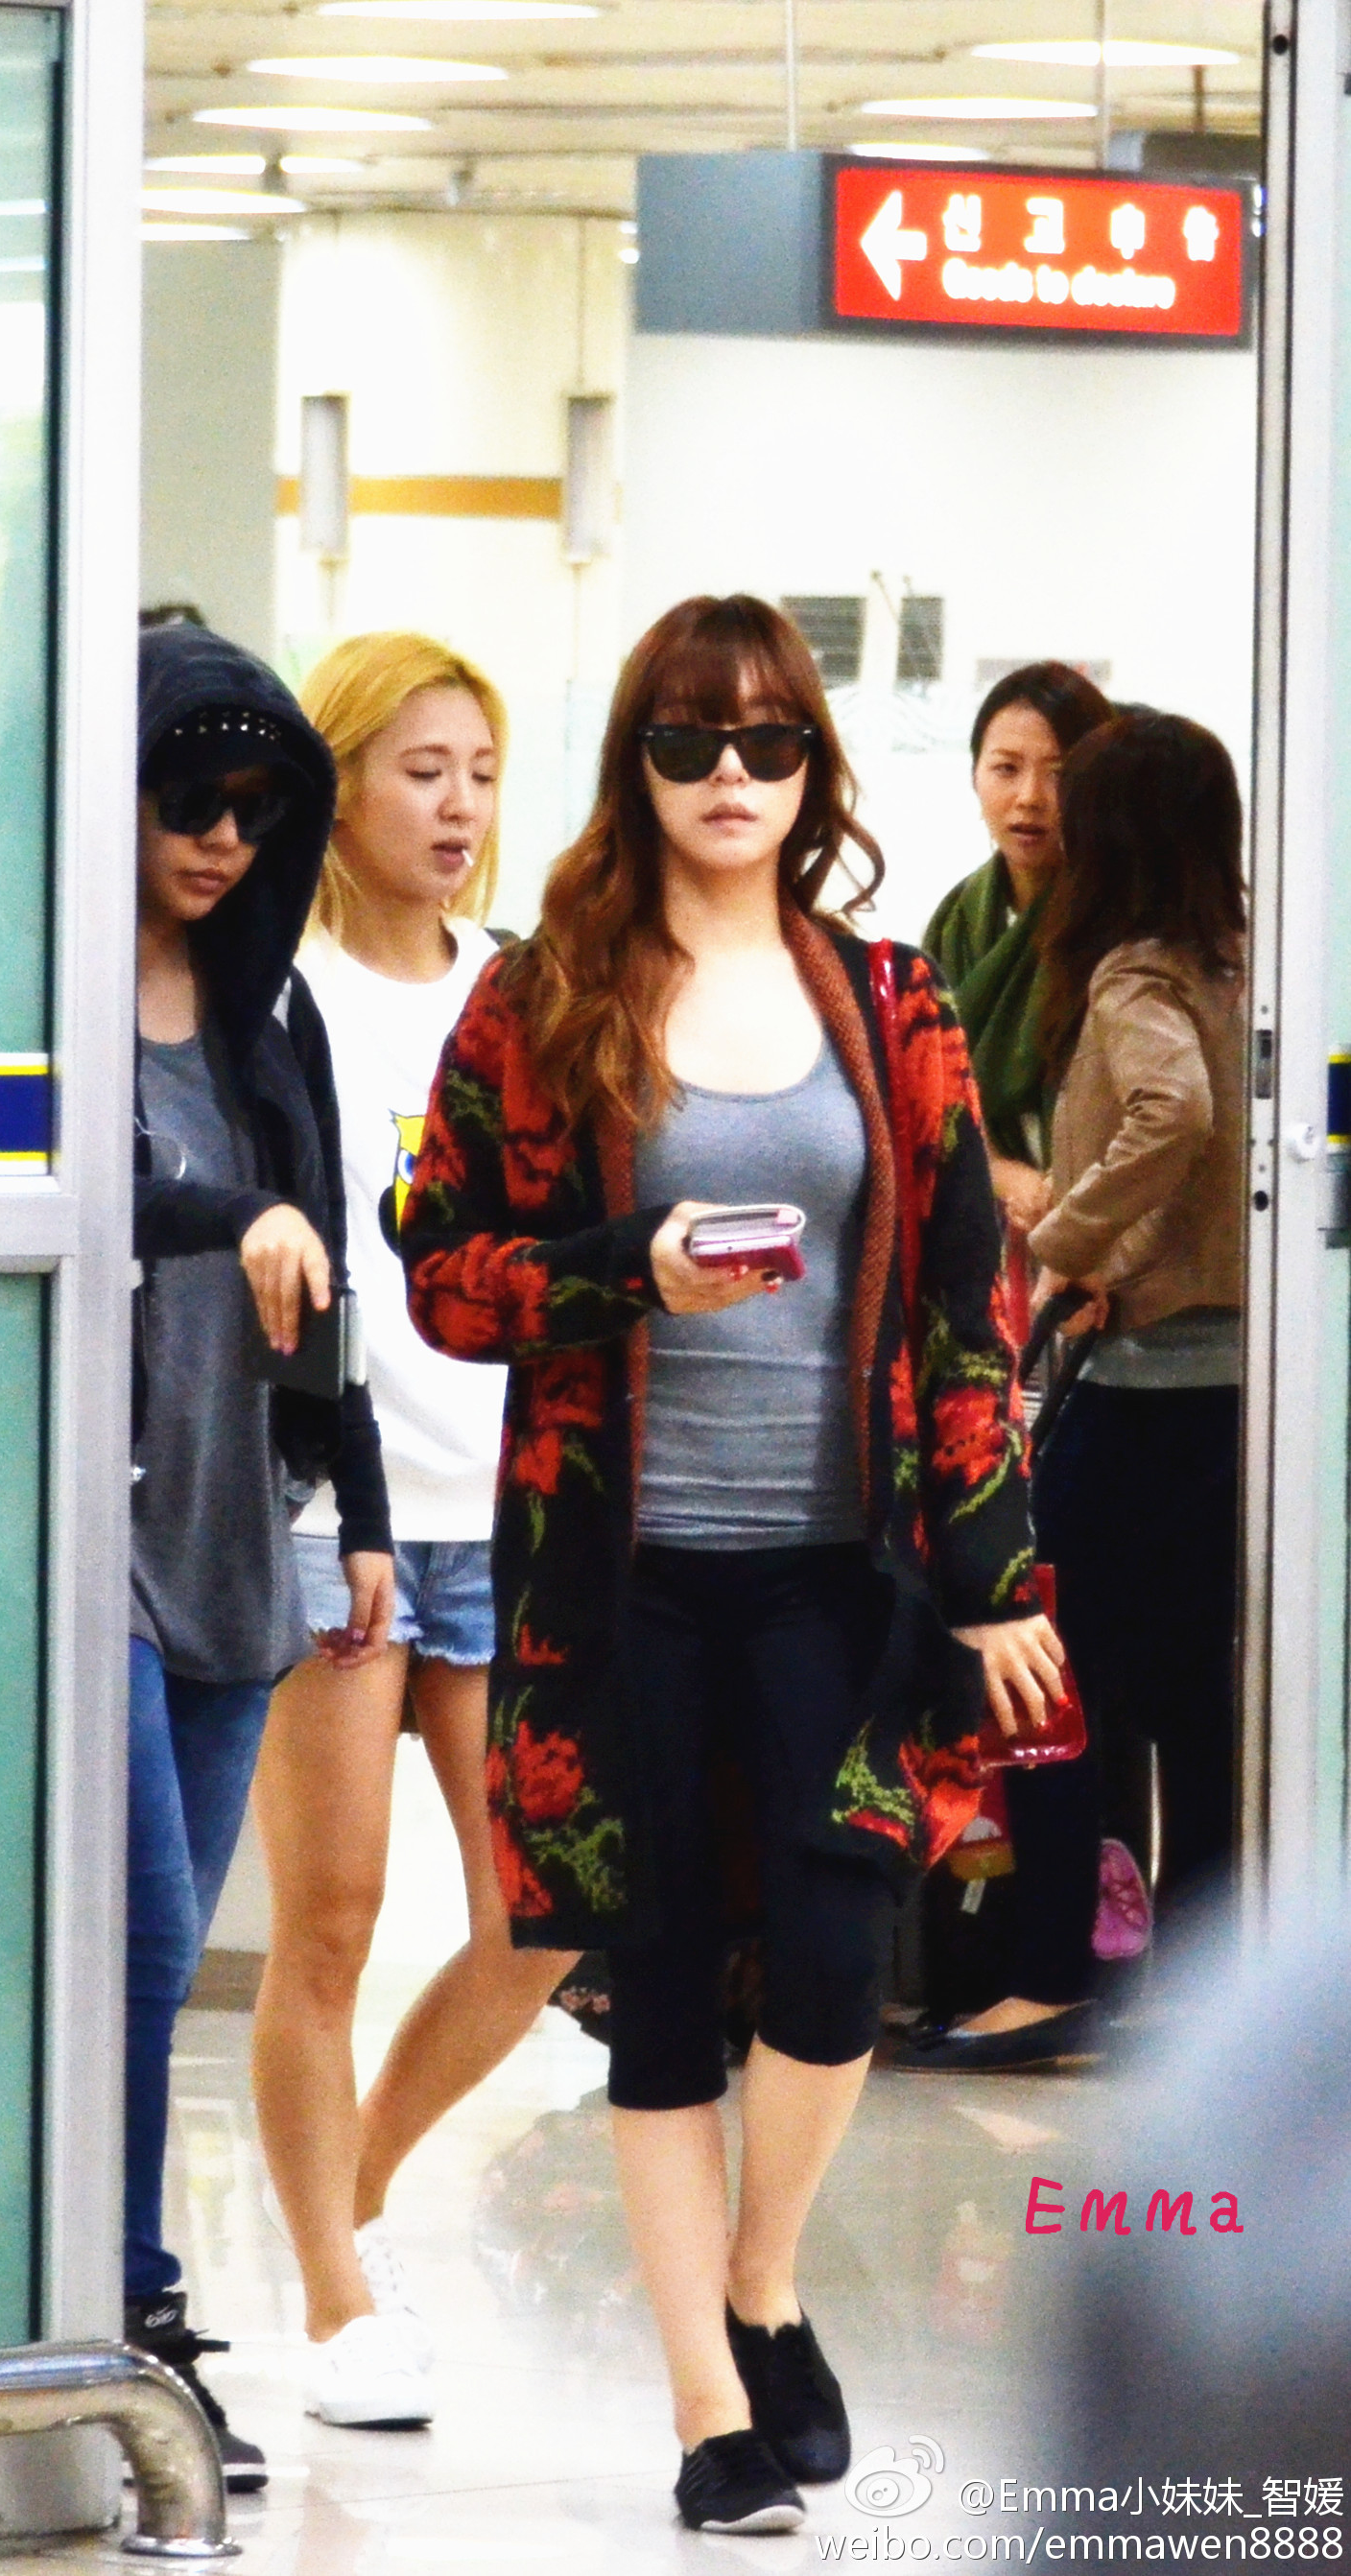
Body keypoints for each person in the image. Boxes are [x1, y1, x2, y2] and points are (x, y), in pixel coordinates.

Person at [400, 593, 1062, 2537]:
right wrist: (629, 1271)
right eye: (687, 740)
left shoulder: (888, 997)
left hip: (834, 1569)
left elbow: (966, 1297)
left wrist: (997, 1570)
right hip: (618, 1582)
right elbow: (442, 1273)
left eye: (766, 742)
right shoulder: (543, 1001)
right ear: (637, 766)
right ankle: (706, 2411)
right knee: (665, 1978)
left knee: (841, 1946)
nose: (727, 775)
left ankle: (762, 2283)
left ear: (809, 771)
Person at [249, 633, 578, 2434]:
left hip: (509, 1511)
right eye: (419, 770)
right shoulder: (276, 993)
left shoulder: (524, 990)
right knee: (331, 1923)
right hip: (336, 1514)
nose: (457, 807)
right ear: (341, 782)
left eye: (479, 773)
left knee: (541, 1908)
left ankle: (351, 2195)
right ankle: (331, 2301)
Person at [126, 622, 395, 2490]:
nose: (222, 837)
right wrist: (238, 1210)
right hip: (89, 1542)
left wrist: (357, 1507)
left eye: (253, 807)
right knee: (143, 1938)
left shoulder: (263, 1011)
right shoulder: (38, 998)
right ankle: (130, 2310)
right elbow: (115, 1200)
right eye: (186, 799)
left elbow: (326, 1266)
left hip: (237, 1531)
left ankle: (113, 2305)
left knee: (155, 1962)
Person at [904, 711, 1247, 2069]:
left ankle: (1052, 1977)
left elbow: (1173, 1115)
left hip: (1144, 1388)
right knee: (1200, 1714)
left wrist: (1065, 1241)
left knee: (1046, 1686)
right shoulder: (1244, 961)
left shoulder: (1131, 971)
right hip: (1235, 1397)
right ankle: (1195, 2005)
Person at [924, 663, 1112, 1272]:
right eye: (1006, 768)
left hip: (1106, 1239)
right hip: (986, 1239)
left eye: (1060, 774)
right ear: (974, 775)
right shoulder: (955, 923)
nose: (1030, 797)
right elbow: (930, 1102)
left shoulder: (1125, 920)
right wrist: (1006, 1177)